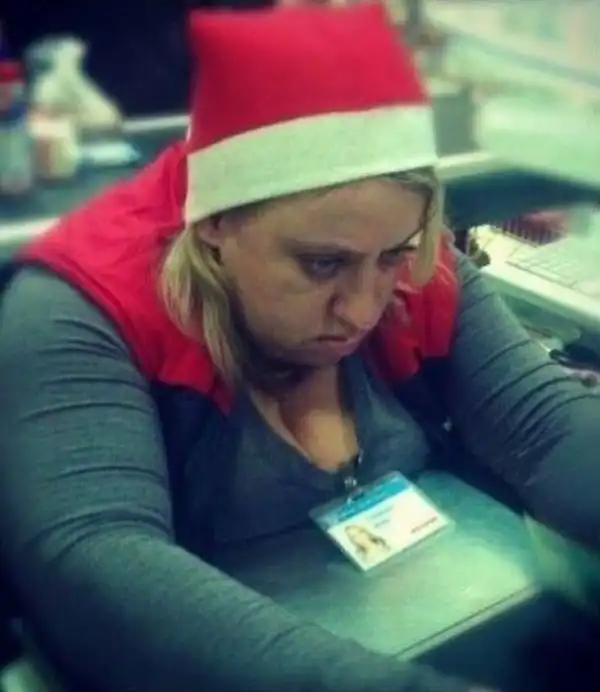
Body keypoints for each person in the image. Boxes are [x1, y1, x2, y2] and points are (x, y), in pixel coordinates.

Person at [0, 4, 598, 692]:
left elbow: (547, 430)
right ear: (216, 220)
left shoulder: (409, 264)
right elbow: (99, 565)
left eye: (391, 257)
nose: (363, 309)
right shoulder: (80, 308)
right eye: (321, 264)